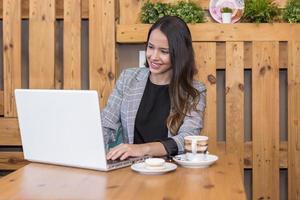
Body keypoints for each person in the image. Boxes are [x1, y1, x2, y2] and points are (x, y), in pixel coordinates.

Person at [102, 16, 206, 161]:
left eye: (164, 51)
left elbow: (187, 139)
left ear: (179, 55)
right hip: (132, 171)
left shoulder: (194, 91)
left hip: (172, 172)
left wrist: (141, 149)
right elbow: (106, 125)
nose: (153, 56)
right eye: (151, 47)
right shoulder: (128, 78)